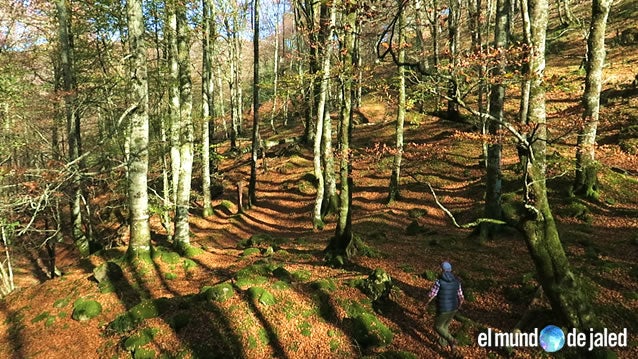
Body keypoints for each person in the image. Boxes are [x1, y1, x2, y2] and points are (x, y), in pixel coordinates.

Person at [425, 261, 464, 352]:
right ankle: (443, 343)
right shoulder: (457, 282)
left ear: (442, 270)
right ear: (450, 270)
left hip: (443, 309)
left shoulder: (439, 282)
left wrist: (426, 302)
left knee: (437, 326)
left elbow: (431, 295)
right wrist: (459, 306)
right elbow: (461, 297)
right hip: (453, 308)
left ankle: (451, 340)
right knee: (445, 326)